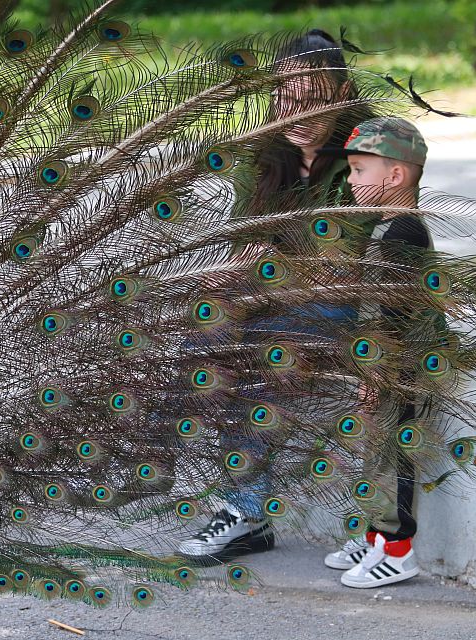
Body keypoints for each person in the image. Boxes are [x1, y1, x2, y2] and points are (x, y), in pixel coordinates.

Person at [176, 29, 371, 565]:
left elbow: (348, 256)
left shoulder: (367, 150)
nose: (298, 114)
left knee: (264, 354)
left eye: (313, 100)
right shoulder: (262, 156)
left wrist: (269, 260)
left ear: (342, 92)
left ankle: (244, 509)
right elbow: (241, 243)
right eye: (286, 99)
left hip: (342, 307)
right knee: (207, 331)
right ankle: (240, 502)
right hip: (270, 300)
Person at [317, 116, 432, 587]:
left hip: (400, 369)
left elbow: (393, 315)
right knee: (375, 456)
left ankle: (399, 549)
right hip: (383, 365)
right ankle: (374, 538)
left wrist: (376, 374)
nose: (351, 180)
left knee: (395, 457)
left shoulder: (402, 234)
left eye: (360, 170)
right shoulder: (386, 229)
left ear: (395, 176)